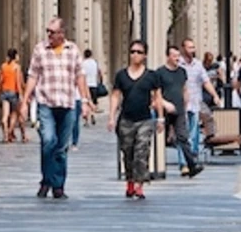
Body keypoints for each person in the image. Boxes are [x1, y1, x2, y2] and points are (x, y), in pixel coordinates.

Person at [21, 17, 94, 199]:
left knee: (61, 147)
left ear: (62, 33)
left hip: (68, 103)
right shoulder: (40, 49)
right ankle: (46, 179)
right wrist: (25, 101)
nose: (49, 35)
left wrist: (85, 101)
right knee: (48, 141)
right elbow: (33, 76)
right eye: (48, 31)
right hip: (46, 102)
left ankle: (58, 185)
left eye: (52, 32)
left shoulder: (73, 50)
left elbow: (80, 76)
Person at [108, 39, 165, 199]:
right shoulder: (121, 75)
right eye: (132, 51)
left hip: (145, 119)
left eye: (139, 52)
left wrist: (160, 118)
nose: (135, 55)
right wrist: (111, 117)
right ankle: (130, 182)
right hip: (126, 119)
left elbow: (157, 97)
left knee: (142, 150)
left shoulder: (152, 76)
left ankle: (140, 185)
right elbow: (115, 96)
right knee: (127, 152)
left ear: (145, 55)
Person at [156, 44, 203, 178]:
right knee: (160, 139)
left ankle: (191, 165)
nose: (177, 58)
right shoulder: (160, 73)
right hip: (164, 110)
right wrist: (164, 105)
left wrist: (186, 105)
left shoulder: (182, 72)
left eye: (178, 56)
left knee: (183, 137)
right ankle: (151, 165)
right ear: (168, 57)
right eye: (174, 56)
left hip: (179, 110)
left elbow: (184, 89)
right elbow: (156, 94)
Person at [180, 38, 222, 161]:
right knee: (183, 132)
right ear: (183, 48)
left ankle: (192, 157)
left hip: (195, 102)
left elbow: (206, 82)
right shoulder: (178, 64)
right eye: (189, 47)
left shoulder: (198, 64)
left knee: (194, 132)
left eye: (193, 47)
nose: (192, 50)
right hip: (181, 103)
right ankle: (184, 162)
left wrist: (215, 95)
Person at [0, 49, 26, 143]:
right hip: (13, 93)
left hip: (4, 93)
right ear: (15, 56)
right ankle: (9, 133)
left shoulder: (3, 66)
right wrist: (21, 95)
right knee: (14, 115)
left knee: (5, 115)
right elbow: (18, 83)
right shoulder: (16, 67)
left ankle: (5, 135)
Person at [82, 48, 102, 117]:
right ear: (91, 55)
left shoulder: (83, 63)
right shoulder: (95, 62)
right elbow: (99, 72)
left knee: (87, 101)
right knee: (93, 100)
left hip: (85, 85)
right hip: (94, 84)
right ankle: (92, 114)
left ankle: (87, 119)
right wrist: (100, 80)